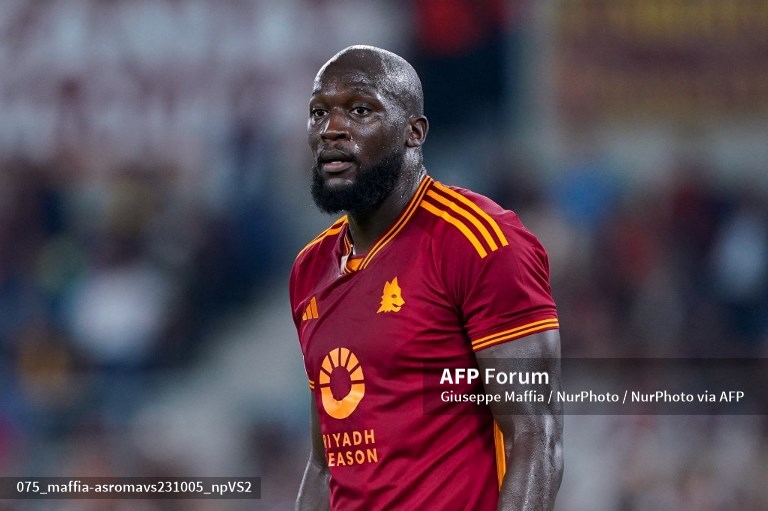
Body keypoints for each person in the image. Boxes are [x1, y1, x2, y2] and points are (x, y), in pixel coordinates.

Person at [289, 45, 563, 511]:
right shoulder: (309, 269)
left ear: (413, 133)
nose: (332, 129)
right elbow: (324, 464)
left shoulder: (480, 241)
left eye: (359, 110)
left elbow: (536, 438)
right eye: (319, 113)